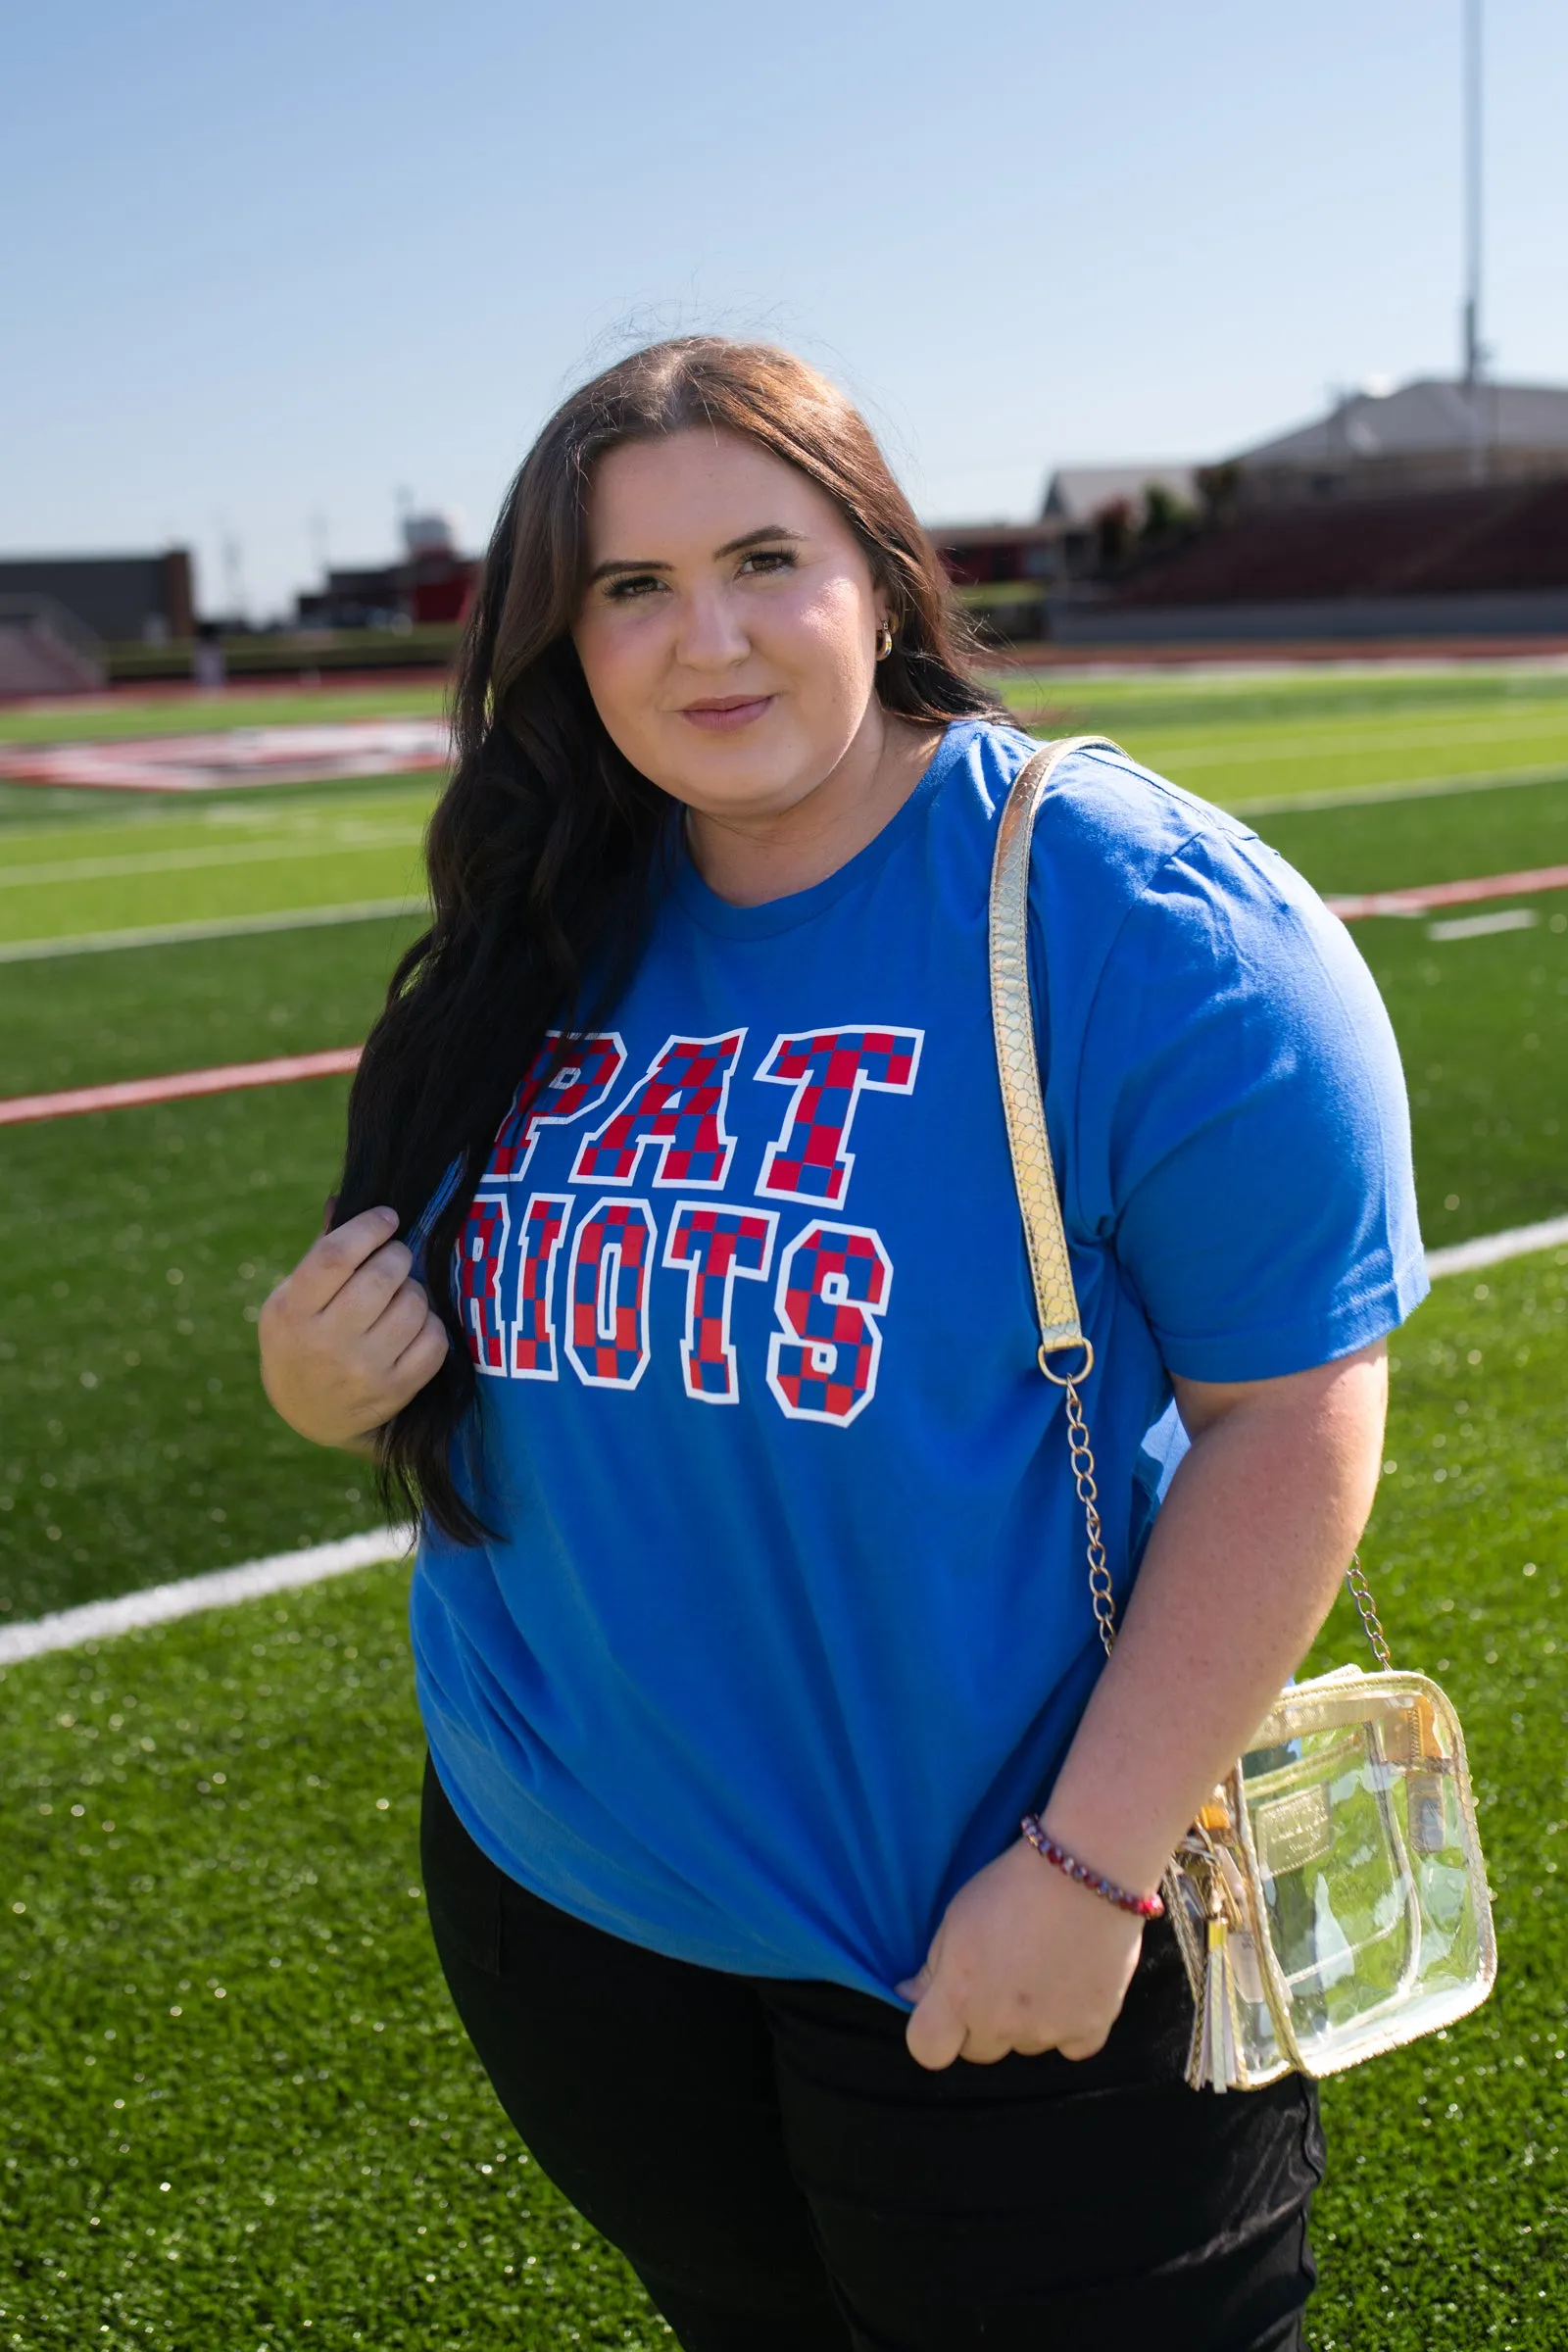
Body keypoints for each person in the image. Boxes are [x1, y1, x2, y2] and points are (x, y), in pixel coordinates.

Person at [258, 337, 1426, 2352]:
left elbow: (1291, 1412)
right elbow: (438, 1322)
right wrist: (316, 1381)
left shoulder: (1133, 913)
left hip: (1007, 1920)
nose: (700, 639)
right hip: (575, 1911)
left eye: (760, 560)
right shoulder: (543, 924)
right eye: (628, 589)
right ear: (560, 637)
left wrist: (1088, 1866)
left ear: (879, 579)